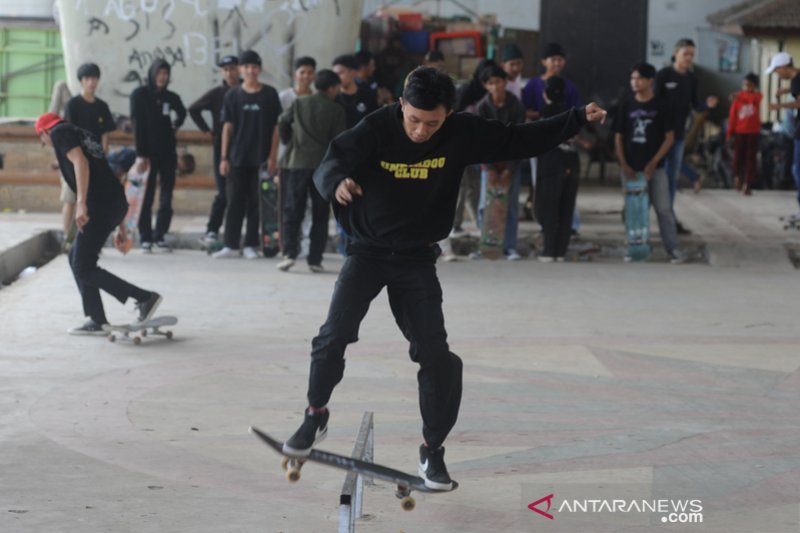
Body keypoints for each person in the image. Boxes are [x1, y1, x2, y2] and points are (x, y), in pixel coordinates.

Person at [280, 67, 607, 490]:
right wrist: (336, 183)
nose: (420, 131)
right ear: (401, 105)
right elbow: (331, 160)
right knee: (333, 336)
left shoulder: (461, 132)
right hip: (367, 253)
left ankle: (431, 450)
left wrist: (576, 118)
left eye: (432, 123)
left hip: (416, 259)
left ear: (448, 115)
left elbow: (519, 138)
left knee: (436, 356)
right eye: (413, 119)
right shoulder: (376, 127)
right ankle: (315, 414)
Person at [35, 112, 162, 335]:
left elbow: (80, 163)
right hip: (112, 204)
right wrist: (120, 225)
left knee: (82, 265)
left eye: (42, 140)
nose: (46, 143)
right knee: (77, 257)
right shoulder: (83, 135)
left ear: (44, 132)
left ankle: (144, 298)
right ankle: (96, 319)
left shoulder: (59, 132)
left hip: (99, 206)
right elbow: (104, 175)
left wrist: (81, 203)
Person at [276, 69, 346, 272]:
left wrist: (287, 140)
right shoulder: (336, 110)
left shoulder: (299, 103)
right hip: (323, 167)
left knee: (292, 209)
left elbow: (282, 122)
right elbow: (339, 140)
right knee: (320, 213)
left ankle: (289, 253)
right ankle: (315, 259)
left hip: (297, 163)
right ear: (332, 88)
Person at [614, 63, 684, 264]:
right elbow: (618, 137)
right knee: (634, 210)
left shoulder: (662, 105)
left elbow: (669, 138)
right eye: (632, 78)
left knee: (663, 209)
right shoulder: (626, 104)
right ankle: (634, 249)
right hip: (630, 170)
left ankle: (673, 249)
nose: (635, 83)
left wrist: (654, 162)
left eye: (639, 78)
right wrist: (623, 164)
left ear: (650, 81)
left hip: (656, 169)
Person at [215, 50, 281, 259]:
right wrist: (224, 157)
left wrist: (272, 157)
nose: (250, 70)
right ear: (240, 70)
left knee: (256, 203)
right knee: (233, 201)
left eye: (254, 66)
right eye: (246, 67)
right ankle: (231, 245)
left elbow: (276, 128)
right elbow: (227, 127)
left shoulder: (270, 94)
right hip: (236, 158)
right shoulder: (232, 95)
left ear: (259, 69)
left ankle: (252, 244)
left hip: (261, 160)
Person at [654, 38, 719, 233]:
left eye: (692, 54)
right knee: (653, 175)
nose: (689, 58)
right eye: (685, 54)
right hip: (658, 134)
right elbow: (653, 102)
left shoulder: (692, 79)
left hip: (678, 134)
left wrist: (707, 105)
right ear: (676, 53)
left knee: (672, 177)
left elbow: (695, 104)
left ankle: (669, 219)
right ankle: (637, 214)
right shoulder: (664, 75)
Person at [129, 58, 187, 251]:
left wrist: (175, 124)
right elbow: (137, 125)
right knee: (147, 194)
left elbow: (182, 112)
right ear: (152, 74)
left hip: (168, 152)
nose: (162, 77)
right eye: (159, 73)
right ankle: (145, 236)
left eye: (166, 74)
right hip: (147, 154)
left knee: (166, 194)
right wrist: (140, 154)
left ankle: (159, 234)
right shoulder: (139, 95)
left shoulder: (171, 97)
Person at [474, 64, 526, 261]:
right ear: (486, 86)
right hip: (489, 163)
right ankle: (485, 244)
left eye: (498, 82)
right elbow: (479, 141)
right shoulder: (482, 107)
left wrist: (509, 171)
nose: (495, 86)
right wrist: (490, 169)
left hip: (511, 163)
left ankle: (510, 247)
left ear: (505, 82)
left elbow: (519, 140)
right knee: (484, 205)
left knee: (510, 205)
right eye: (491, 83)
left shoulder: (517, 106)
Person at [188, 55, 241, 243]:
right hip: (222, 148)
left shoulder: (247, 90)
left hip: (245, 147)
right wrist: (206, 130)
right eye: (226, 70)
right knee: (223, 190)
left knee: (244, 192)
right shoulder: (217, 93)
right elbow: (193, 109)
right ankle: (212, 229)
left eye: (233, 68)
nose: (230, 73)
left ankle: (243, 232)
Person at [535, 76, 581, 262]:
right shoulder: (572, 113)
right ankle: (561, 251)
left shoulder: (546, 111)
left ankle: (548, 251)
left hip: (552, 165)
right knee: (566, 208)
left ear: (546, 93)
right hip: (573, 163)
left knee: (549, 208)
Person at [766, 52, 800, 213]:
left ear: (784, 67)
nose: (777, 74)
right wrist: (787, 90)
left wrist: (778, 106)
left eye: (776, 71)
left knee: (797, 169)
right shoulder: (796, 78)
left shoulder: (797, 80)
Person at [727, 73, 762, 195]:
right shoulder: (737, 99)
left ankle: (747, 183)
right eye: (744, 85)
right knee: (737, 158)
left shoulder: (757, 97)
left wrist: (740, 96)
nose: (746, 87)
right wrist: (729, 133)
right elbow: (732, 117)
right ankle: (738, 178)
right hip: (739, 133)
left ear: (755, 86)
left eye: (749, 85)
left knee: (750, 159)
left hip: (753, 133)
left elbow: (752, 100)